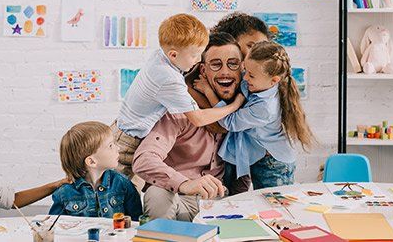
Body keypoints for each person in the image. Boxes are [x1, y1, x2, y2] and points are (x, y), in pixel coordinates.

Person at [114, 13, 243, 178]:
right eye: (195, 55)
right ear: (173, 55)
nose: (197, 61)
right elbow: (198, 119)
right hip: (127, 143)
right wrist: (234, 106)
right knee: (117, 194)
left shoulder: (161, 55)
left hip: (127, 130)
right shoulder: (169, 78)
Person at [132, 33, 243, 221]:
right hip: (180, 198)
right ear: (202, 70)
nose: (225, 71)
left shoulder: (245, 114)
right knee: (157, 193)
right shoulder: (180, 111)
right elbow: (144, 159)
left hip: (220, 202)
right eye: (216, 64)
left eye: (233, 63)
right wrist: (184, 183)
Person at [194, 41, 315, 189]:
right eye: (245, 69)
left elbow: (229, 122)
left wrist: (208, 91)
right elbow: (244, 86)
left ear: (274, 81)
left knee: (272, 205)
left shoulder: (265, 108)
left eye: (250, 75)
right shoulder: (260, 82)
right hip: (260, 153)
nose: (245, 78)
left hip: (274, 163)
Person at [49, 122, 142, 220]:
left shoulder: (122, 184)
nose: (118, 148)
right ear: (91, 161)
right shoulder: (64, 193)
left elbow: (136, 221)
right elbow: (54, 227)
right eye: (110, 146)